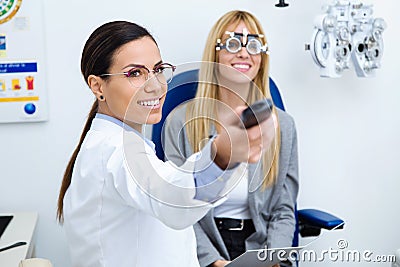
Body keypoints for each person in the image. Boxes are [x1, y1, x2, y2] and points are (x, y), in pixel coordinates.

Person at [56, 20, 275, 267]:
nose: (157, 85)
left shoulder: (117, 144)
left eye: (158, 69)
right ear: (98, 86)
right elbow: (172, 199)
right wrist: (221, 155)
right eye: (135, 73)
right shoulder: (114, 150)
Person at [163, 10, 299, 267]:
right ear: (215, 54)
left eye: (254, 44)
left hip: (261, 249)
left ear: (262, 56)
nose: (244, 53)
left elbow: (284, 209)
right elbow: (177, 208)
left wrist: (273, 260)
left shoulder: (284, 126)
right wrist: (214, 262)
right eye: (233, 43)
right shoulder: (179, 123)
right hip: (203, 251)